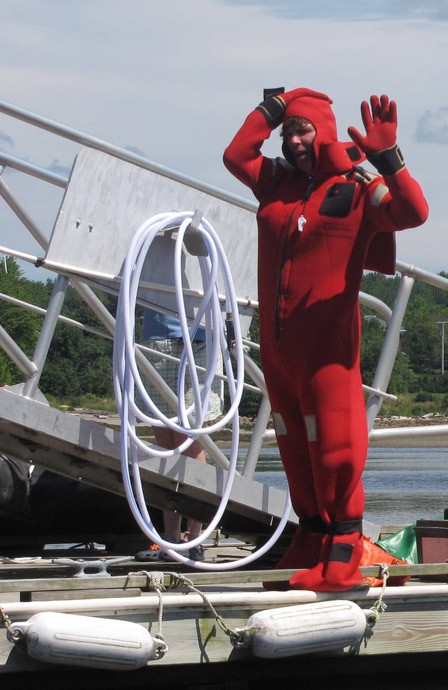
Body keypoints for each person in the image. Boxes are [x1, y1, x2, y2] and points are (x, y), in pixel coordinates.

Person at [223, 88, 428, 591]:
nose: (293, 139)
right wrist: (272, 107)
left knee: (334, 449)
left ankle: (344, 547)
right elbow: (236, 155)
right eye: (288, 130)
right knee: (294, 448)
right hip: (280, 352)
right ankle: (311, 536)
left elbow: (413, 212)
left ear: (325, 131)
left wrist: (388, 157)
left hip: (327, 353)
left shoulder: (357, 185)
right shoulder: (278, 184)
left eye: (303, 129)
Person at [137, 308, 222, 562]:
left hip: (196, 337)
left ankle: (193, 537)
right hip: (160, 336)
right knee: (167, 447)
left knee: (188, 443)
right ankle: (171, 537)